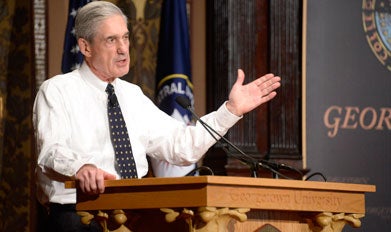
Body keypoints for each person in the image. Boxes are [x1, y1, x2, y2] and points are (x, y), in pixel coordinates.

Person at [32, 1, 281, 231]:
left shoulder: (133, 96)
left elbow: (182, 148)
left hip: (135, 214)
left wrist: (231, 111)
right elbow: (51, 151)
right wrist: (81, 168)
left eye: (125, 38)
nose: (122, 49)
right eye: (111, 40)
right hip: (78, 215)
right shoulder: (57, 90)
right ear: (86, 47)